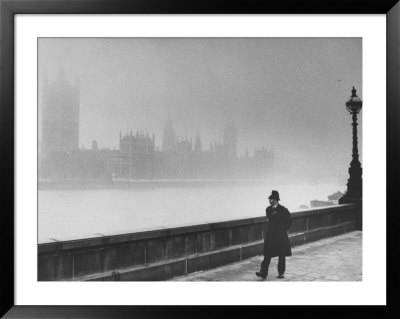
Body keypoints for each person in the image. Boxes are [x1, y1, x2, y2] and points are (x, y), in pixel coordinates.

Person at [256, 190, 292, 279]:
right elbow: (271, 215)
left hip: (280, 237)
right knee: (267, 254)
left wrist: (284, 229)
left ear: (276, 200)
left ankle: (281, 273)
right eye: (270, 199)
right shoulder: (268, 209)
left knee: (281, 255)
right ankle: (263, 272)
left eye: (272, 199)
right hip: (271, 236)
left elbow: (289, 221)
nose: (270, 201)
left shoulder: (283, 210)